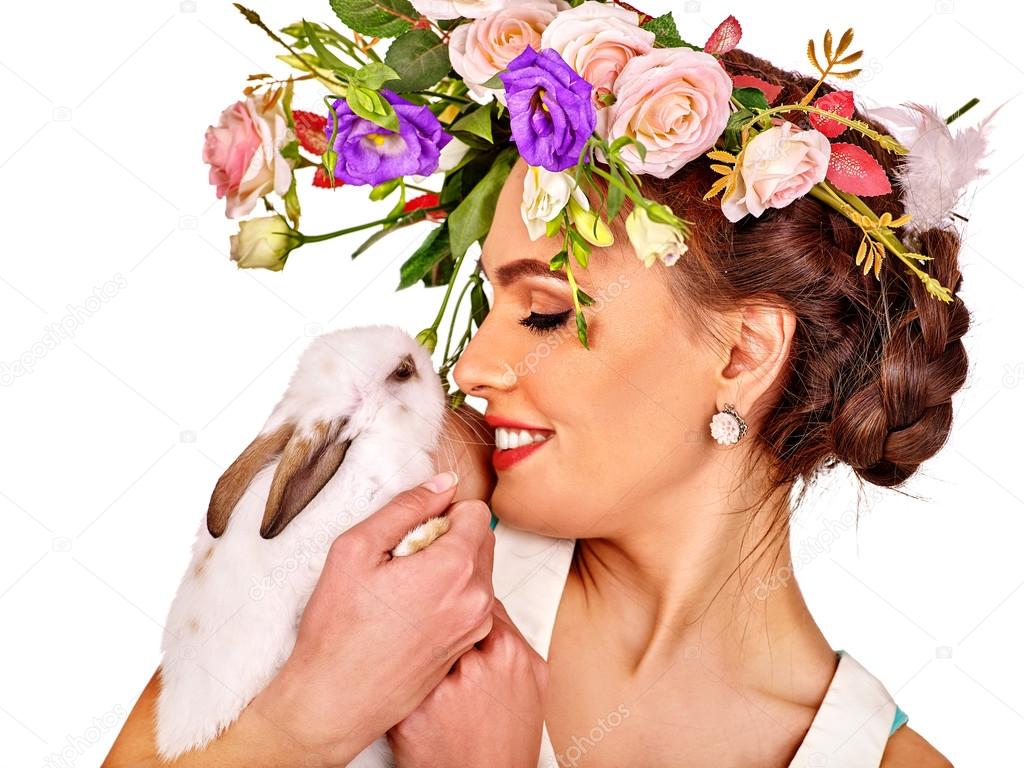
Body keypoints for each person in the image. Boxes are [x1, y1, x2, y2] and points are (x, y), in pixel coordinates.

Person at [105, 43, 969, 768]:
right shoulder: (376, 556)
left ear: (742, 353)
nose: (473, 365)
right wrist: (308, 715)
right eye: (488, 304)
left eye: (546, 312)